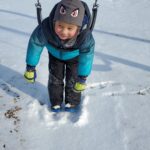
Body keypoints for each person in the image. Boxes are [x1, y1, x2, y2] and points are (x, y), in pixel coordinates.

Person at [24, 0, 95, 112]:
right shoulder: (46, 29)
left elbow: (87, 55)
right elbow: (35, 43)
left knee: (73, 80)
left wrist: (83, 76)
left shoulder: (84, 36)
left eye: (70, 28)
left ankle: (72, 102)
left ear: (78, 28)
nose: (64, 32)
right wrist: (30, 66)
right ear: (54, 22)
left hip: (75, 57)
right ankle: (55, 102)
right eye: (60, 26)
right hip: (55, 56)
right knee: (55, 79)